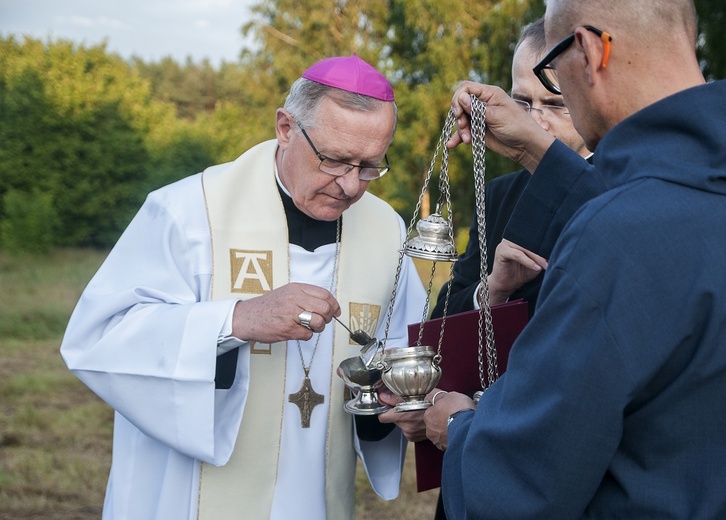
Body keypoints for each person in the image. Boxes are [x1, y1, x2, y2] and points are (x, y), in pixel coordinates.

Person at [60, 54, 427, 520]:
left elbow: (399, 350)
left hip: (313, 494)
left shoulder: (386, 231)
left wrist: (398, 404)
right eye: (334, 160)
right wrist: (234, 320)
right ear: (286, 128)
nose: (351, 185)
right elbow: (99, 337)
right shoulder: (190, 212)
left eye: (370, 166)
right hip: (187, 497)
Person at [424, 0, 726, 518]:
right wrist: (534, 150)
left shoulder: (615, 235)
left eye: (553, 74)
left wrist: (459, 426)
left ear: (587, 52)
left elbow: (524, 480)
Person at [430, 17, 593, 323]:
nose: (535, 121)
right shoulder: (498, 195)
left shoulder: (622, 179)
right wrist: (494, 288)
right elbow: (441, 323)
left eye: (555, 103)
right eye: (522, 102)